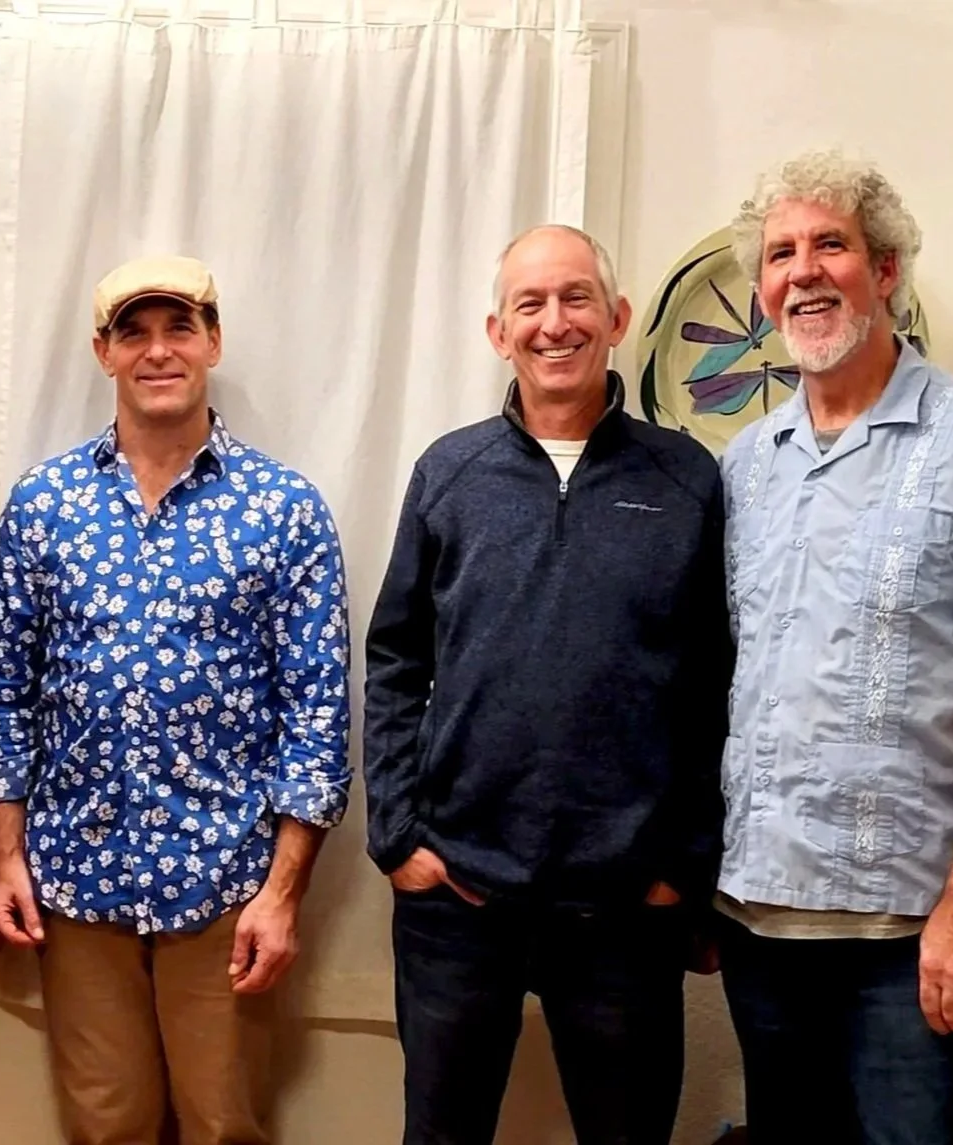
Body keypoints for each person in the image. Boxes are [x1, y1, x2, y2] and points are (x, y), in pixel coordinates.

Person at [716, 150, 953, 1144]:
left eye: (829, 245)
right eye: (780, 254)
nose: (802, 271)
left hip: (915, 939)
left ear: (884, 270)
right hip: (760, 922)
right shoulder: (747, 465)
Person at [362, 224, 731, 1145]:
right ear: (499, 332)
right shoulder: (449, 473)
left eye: (576, 299)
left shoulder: (686, 479)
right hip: (459, 894)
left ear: (618, 317)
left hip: (626, 906)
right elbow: (397, 658)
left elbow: (717, 683)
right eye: (530, 304)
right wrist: (399, 837)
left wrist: (682, 867)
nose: (554, 322)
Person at [0, 255, 351, 1145]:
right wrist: (8, 858)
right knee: (107, 1126)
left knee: (224, 1126)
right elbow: (3, 693)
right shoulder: (44, 504)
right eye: (133, 332)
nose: (157, 351)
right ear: (102, 351)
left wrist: (282, 894)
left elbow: (318, 714)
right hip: (76, 877)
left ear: (212, 342)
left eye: (179, 327)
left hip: (226, 880)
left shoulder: (283, 508)